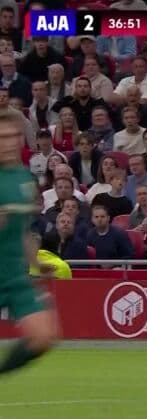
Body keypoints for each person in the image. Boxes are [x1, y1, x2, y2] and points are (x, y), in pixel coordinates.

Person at [0, 109, 60, 378]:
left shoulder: (24, 178)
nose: (8, 142)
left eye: (12, 136)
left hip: (14, 275)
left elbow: (23, 230)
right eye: (2, 137)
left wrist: (36, 263)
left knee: (44, 337)